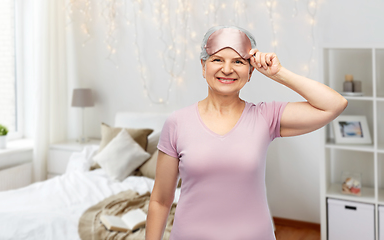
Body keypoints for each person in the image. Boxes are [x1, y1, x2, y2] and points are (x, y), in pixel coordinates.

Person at [145, 26, 347, 240]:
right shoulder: (177, 122)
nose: (227, 69)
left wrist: (279, 73)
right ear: (203, 66)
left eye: (238, 61)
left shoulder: (266, 116)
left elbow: (334, 104)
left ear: (251, 72)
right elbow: (160, 200)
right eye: (217, 60)